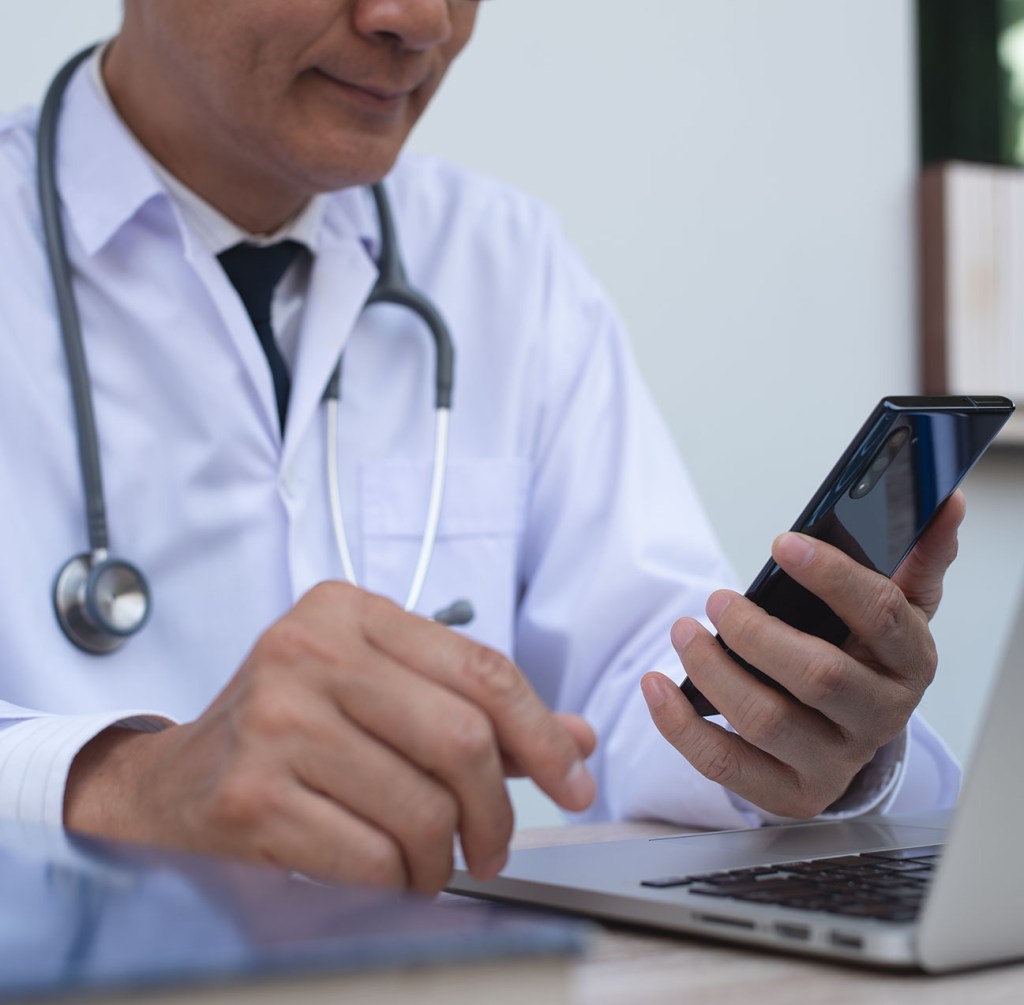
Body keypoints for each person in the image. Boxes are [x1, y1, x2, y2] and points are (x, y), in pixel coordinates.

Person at [0, 0, 960, 895]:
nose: (421, 20)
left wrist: (795, 737)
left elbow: (649, 685)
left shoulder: (506, 262)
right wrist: (124, 786)